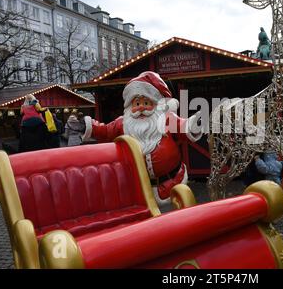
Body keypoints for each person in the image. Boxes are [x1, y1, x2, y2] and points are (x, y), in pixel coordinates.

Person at [81, 71, 203, 205]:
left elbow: (183, 126)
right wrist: (92, 127)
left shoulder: (166, 119)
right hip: (138, 187)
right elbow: (106, 130)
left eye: (146, 102)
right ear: (129, 107)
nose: (141, 108)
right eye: (137, 104)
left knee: (174, 216)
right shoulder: (123, 123)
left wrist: (193, 124)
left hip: (172, 182)